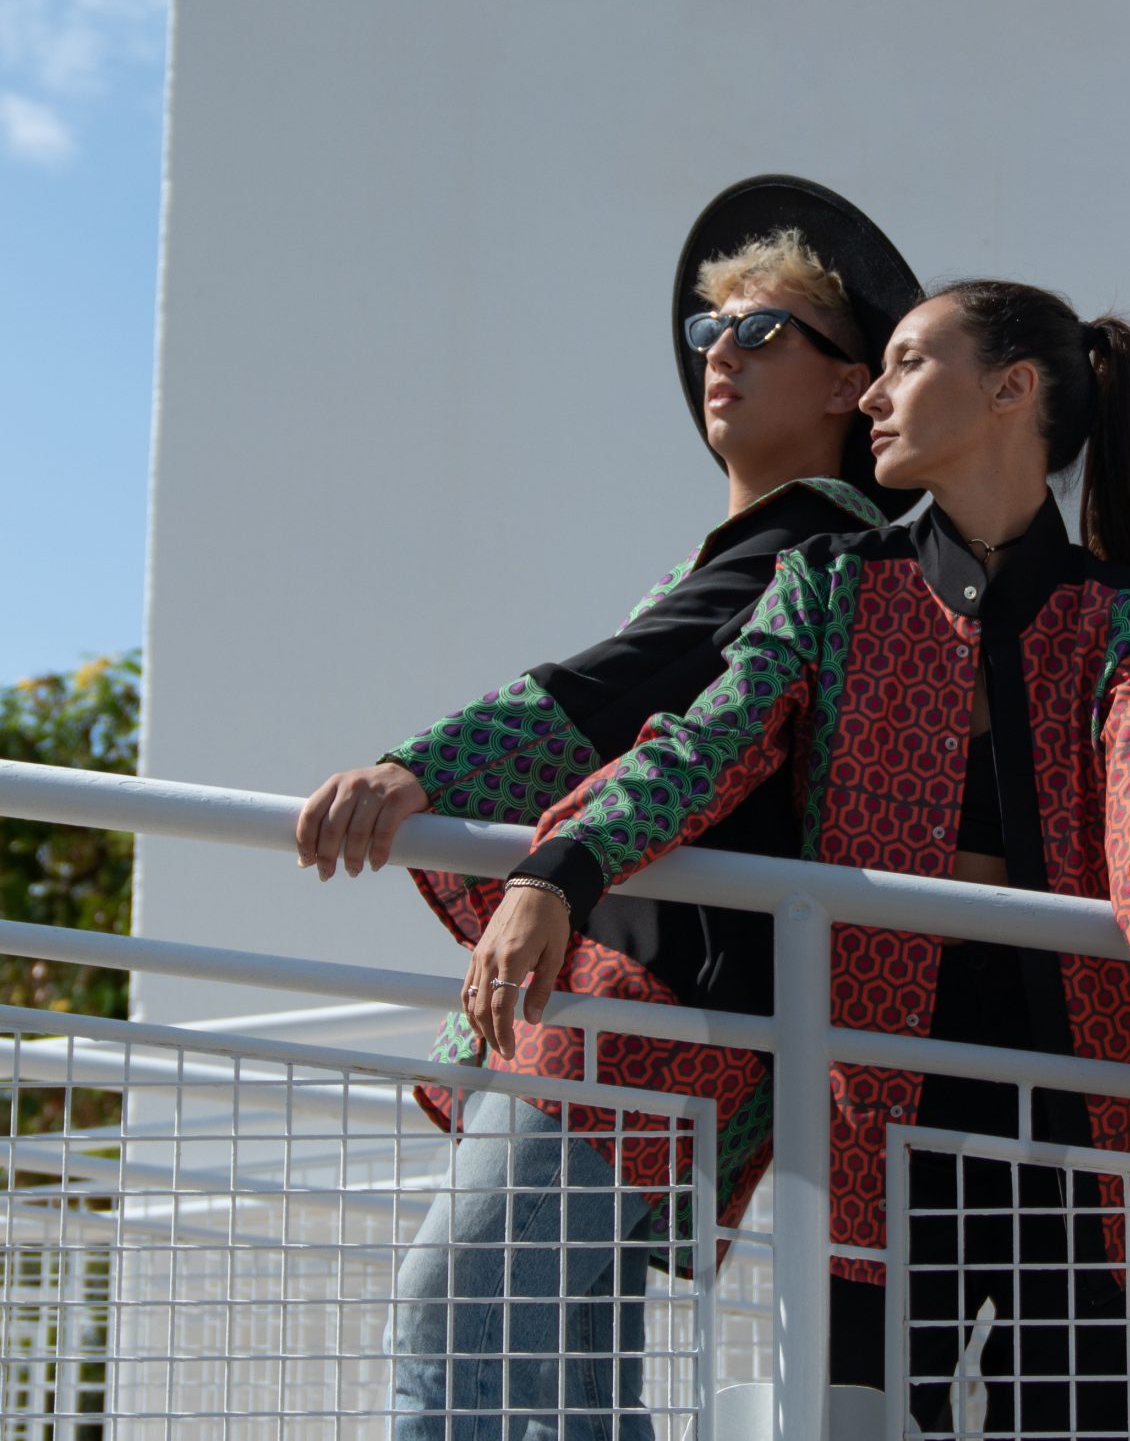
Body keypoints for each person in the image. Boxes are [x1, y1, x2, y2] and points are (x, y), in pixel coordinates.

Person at [462, 278, 1130, 1437]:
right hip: (871, 1118)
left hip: (1093, 1115)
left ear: (1011, 388)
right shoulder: (833, 582)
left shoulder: (1126, 615)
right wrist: (560, 865)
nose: (873, 396)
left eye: (907, 362)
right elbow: (702, 744)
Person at [294, 174, 922, 1436]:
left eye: (764, 330)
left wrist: (423, 769)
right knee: (570, 1385)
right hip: (656, 1015)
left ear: (848, 385)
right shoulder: (777, 550)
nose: (721, 353)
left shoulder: (812, 547)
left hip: (640, 1016)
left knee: (456, 1320)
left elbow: (620, 685)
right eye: (710, 328)